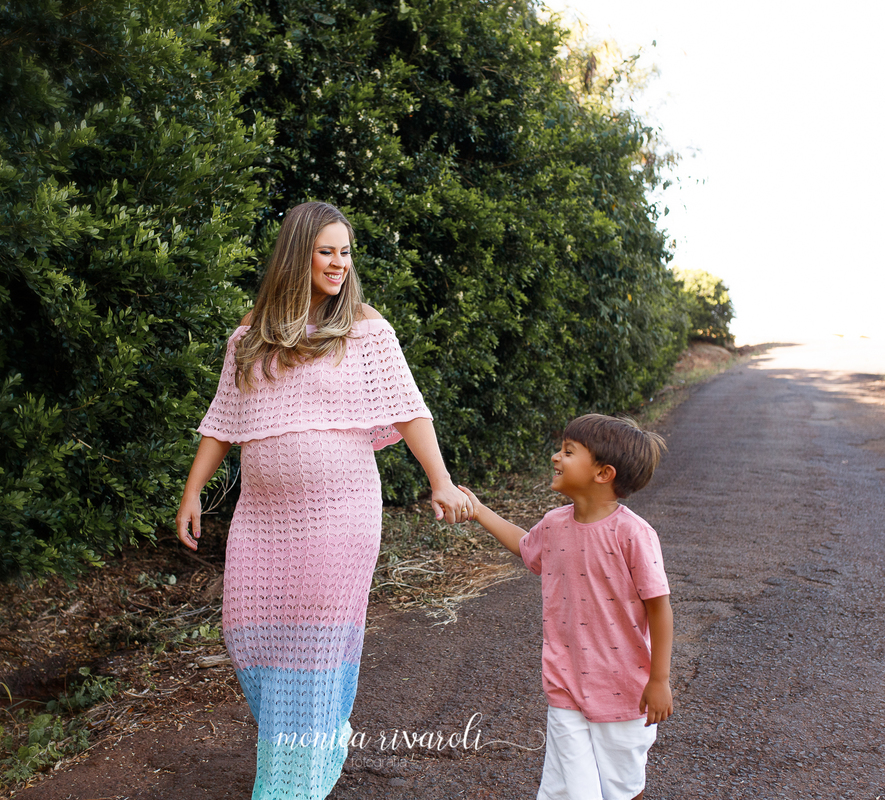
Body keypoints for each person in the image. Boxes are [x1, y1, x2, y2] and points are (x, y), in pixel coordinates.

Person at [175, 201, 471, 800]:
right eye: (326, 251)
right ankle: (314, 741)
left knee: (311, 645)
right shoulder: (252, 333)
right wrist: (193, 490)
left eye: (346, 252)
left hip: (341, 512)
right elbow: (223, 421)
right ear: (297, 253)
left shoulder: (364, 327)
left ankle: (290, 784)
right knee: (248, 634)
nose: (339, 264)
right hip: (262, 516)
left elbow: (408, 408)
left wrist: (439, 479)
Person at [459, 414, 674, 800]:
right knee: (570, 790)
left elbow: (659, 608)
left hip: (624, 689)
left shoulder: (633, 534)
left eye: (568, 451)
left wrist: (658, 679)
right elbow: (527, 548)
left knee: (622, 788)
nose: (556, 457)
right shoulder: (554, 524)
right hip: (565, 682)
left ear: (603, 473)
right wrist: (479, 511)